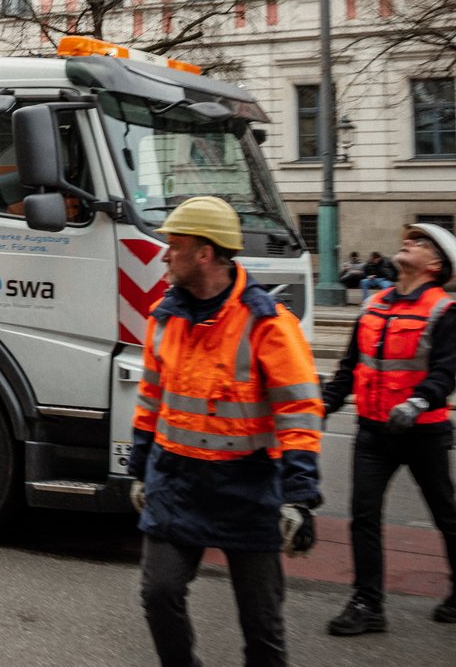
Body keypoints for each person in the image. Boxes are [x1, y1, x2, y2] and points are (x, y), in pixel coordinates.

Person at [130, 196, 324, 667]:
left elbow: (300, 412)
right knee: (159, 593)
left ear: (205, 254)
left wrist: (298, 496)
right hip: (176, 481)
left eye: (174, 246)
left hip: (249, 487)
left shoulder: (269, 324)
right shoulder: (163, 317)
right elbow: (151, 399)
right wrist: (139, 469)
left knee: (261, 625)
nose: (163, 255)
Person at [322, 222, 456, 635]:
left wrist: (416, 402)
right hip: (373, 432)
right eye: (408, 238)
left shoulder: (445, 311)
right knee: (363, 516)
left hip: (423, 433)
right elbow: (349, 369)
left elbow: (445, 376)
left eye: (420, 242)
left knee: (445, 513)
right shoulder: (372, 306)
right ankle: (368, 603)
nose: (407, 242)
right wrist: (321, 406)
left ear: (435, 265)